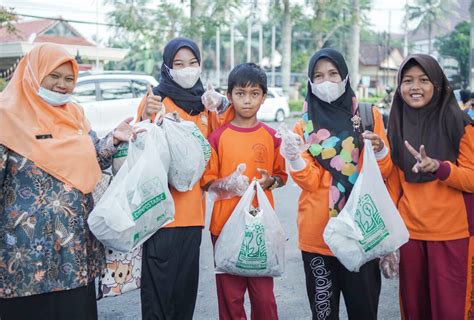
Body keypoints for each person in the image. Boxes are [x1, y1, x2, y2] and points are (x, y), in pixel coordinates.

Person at [0, 43, 141, 320]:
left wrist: (113, 139)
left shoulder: (74, 114)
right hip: (24, 260)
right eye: (54, 75)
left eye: (69, 78)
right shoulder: (5, 118)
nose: (62, 85)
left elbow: (92, 159)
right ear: (34, 72)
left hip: (75, 254)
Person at [280, 48, 392, 319]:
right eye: (318, 76)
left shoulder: (368, 115)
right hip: (318, 238)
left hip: (361, 233)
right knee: (323, 314)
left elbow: (384, 172)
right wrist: (294, 158)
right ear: (309, 82)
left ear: (345, 77)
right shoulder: (303, 127)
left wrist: (378, 150)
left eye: (332, 74)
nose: (326, 81)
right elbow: (310, 182)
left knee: (363, 312)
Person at [136, 37, 232, 320]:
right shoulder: (156, 100)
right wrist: (145, 116)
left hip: (193, 216)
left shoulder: (205, 105)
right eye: (179, 64)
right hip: (160, 215)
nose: (187, 69)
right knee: (158, 294)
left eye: (193, 63)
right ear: (167, 67)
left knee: (184, 292)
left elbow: (225, 137)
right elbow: (138, 148)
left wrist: (223, 104)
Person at [386, 54, 474, 319]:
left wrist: (440, 167)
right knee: (414, 310)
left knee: (451, 312)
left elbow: (471, 178)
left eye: (424, 80)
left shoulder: (462, 126)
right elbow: (394, 185)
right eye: (408, 80)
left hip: (452, 234)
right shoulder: (396, 127)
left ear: (437, 84)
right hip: (410, 235)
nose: (415, 87)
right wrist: (388, 237)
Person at [201, 63, 288, 320]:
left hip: (260, 228)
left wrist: (269, 181)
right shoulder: (217, 137)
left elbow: (282, 177)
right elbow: (207, 182)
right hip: (224, 227)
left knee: (263, 298)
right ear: (229, 96)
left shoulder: (273, 137)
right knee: (231, 298)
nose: (247, 100)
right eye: (240, 93)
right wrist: (228, 184)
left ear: (263, 97)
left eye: (254, 94)